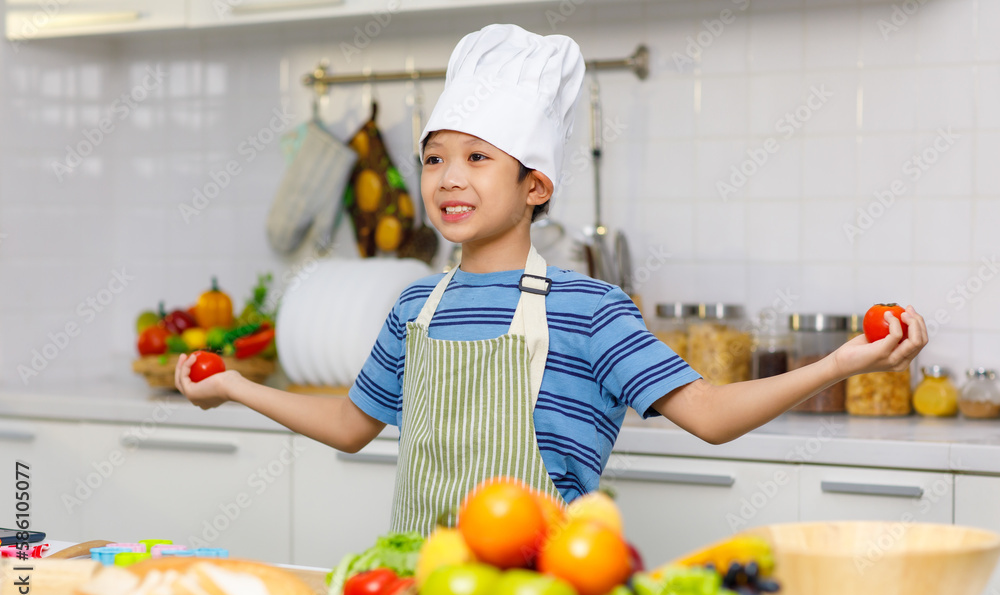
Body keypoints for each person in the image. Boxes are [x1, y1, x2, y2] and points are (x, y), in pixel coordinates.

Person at [175, 25, 928, 535]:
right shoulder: (415, 304)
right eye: (435, 158)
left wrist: (839, 362)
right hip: (419, 588)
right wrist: (235, 385)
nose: (448, 179)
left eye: (477, 158)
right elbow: (350, 427)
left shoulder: (589, 310)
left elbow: (710, 413)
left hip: (541, 592)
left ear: (536, 186)